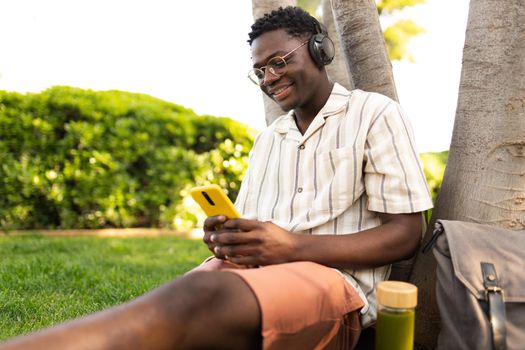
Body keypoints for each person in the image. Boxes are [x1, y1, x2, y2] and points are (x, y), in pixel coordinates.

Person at [0, 6, 433, 350]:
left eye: (279, 61)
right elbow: (255, 228)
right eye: (260, 70)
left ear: (320, 50)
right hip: (261, 275)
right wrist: (231, 238)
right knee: (178, 302)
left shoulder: (374, 114)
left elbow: (407, 233)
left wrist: (293, 247)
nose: (270, 77)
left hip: (337, 288)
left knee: (194, 301)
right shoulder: (270, 140)